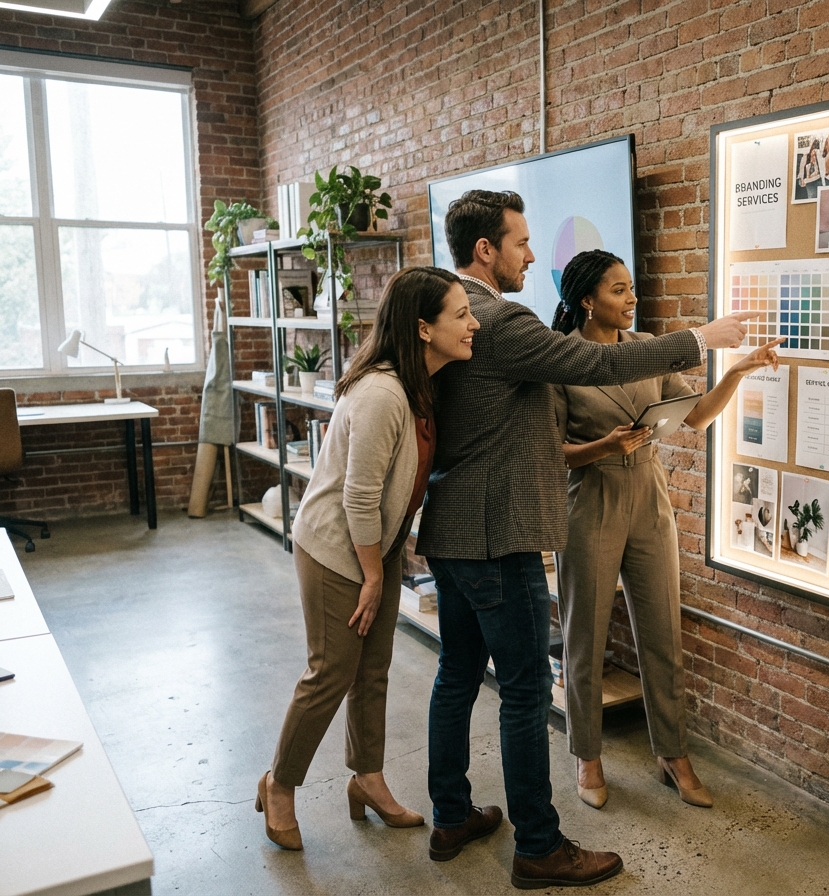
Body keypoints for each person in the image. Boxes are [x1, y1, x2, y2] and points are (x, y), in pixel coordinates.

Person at [416, 190, 754, 889]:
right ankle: (540, 843)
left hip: (458, 524)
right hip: (503, 527)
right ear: (486, 249)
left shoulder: (451, 314)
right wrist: (703, 338)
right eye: (520, 242)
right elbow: (591, 371)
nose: (530, 254)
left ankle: (451, 816)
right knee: (527, 687)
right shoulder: (497, 319)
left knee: (457, 676)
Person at [549, 250, 780, 810]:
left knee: (663, 634)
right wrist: (604, 446)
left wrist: (737, 371)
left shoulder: (647, 349)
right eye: (618, 290)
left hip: (649, 496)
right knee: (585, 637)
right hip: (591, 497)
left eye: (631, 287)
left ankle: (673, 755)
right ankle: (587, 756)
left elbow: (696, 416)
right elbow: (551, 454)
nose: (631, 298)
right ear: (587, 300)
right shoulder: (563, 361)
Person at [257, 267, 478, 851]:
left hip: (375, 546)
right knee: (331, 671)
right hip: (337, 548)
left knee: (372, 669)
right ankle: (279, 784)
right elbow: (358, 496)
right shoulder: (383, 393)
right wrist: (375, 575)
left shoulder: (420, 383)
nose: (474, 324)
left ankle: (367, 779)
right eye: (461, 314)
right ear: (424, 328)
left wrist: (383, 564)